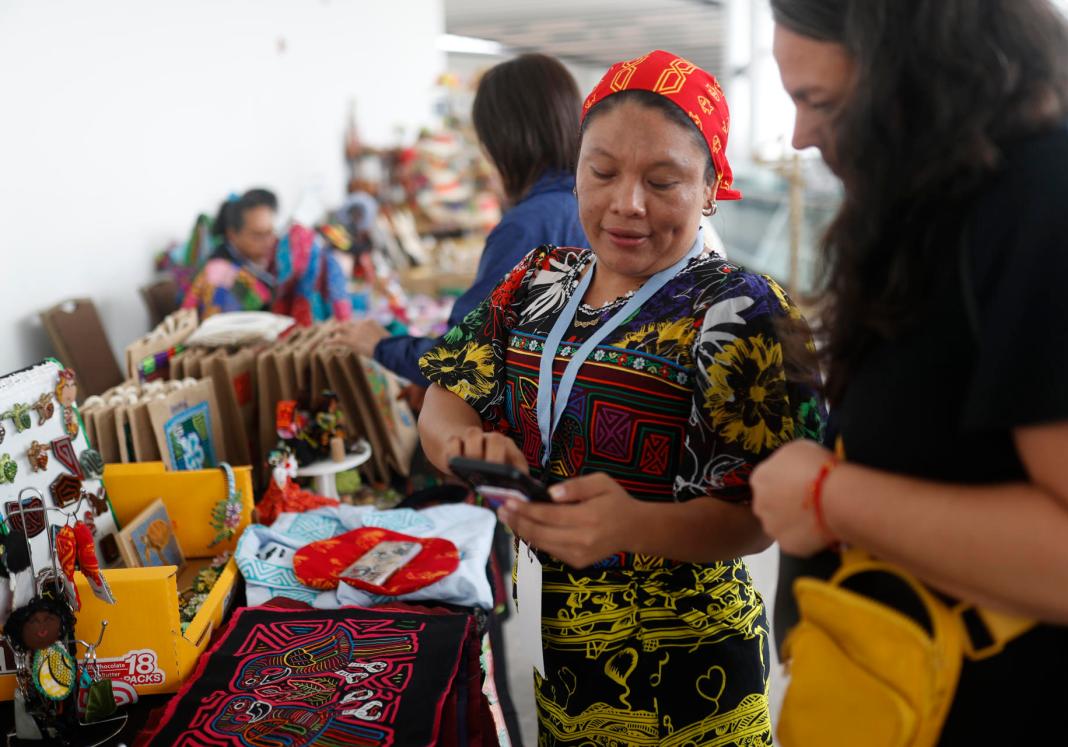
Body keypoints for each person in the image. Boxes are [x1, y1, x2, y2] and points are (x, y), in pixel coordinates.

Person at [418, 50, 823, 746]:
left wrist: (634, 525)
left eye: (662, 181)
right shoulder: (538, 279)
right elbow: (445, 392)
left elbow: (762, 513)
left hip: (688, 674)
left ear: (710, 187)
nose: (626, 203)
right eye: (602, 172)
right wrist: (466, 446)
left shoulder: (741, 309)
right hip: (558, 654)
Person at [749, 1, 1068, 744]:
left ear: (917, 72)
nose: (799, 136)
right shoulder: (940, 209)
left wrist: (826, 496)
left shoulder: (1064, 200)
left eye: (820, 102)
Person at [330, 54, 588, 387]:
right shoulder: (584, 205)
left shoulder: (528, 225)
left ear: (503, 142)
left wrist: (381, 346)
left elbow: (463, 358)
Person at [182, 189, 280, 318]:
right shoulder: (221, 278)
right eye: (257, 236)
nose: (269, 242)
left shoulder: (260, 260)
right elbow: (217, 327)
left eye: (270, 232)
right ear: (232, 234)